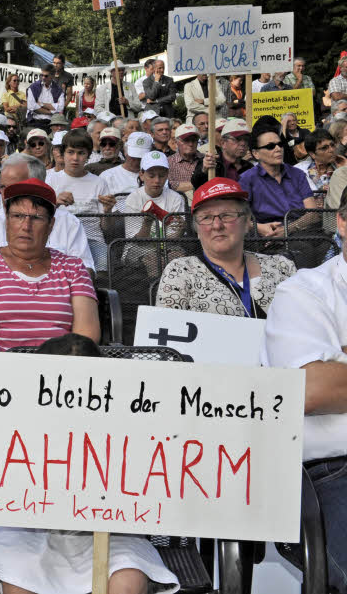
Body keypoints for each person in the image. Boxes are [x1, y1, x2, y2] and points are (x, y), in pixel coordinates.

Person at [0, 333, 178, 594]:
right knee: (18, 578)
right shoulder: (16, 425)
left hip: (114, 531)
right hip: (31, 530)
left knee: (126, 582)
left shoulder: (129, 425)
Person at [261, 190, 347, 594]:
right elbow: (313, 389)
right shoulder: (305, 291)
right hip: (335, 471)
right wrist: (329, 373)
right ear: (343, 223)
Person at [0, 178, 100, 349]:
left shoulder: (74, 267)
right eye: (18, 216)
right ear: (7, 221)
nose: (26, 226)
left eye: (36, 218)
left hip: (60, 369)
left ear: (51, 225)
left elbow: (86, 336)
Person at [155, 177, 294, 315]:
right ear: (197, 230)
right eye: (206, 217)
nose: (217, 225)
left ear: (247, 223)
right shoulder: (181, 272)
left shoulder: (282, 267)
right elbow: (166, 328)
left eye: (227, 215)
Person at [0, 154, 94, 269]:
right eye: (2, 187)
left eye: (14, 188)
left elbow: (85, 269)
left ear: (38, 186)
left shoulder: (69, 223)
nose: (5, 195)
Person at [239, 117, 318, 238]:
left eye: (280, 144)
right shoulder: (247, 179)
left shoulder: (298, 174)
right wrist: (260, 228)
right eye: (271, 146)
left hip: (303, 234)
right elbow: (239, 218)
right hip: (266, 239)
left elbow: (313, 214)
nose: (278, 149)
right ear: (256, 153)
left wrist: (287, 230)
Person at [46, 129, 111, 269]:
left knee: (103, 266)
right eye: (71, 152)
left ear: (88, 155)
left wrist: (107, 210)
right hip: (58, 238)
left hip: (92, 238)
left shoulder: (99, 183)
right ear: (63, 153)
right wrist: (55, 203)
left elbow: (106, 228)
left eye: (81, 153)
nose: (75, 158)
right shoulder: (50, 179)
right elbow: (41, 218)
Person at [167, 122, 205, 194]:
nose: (190, 144)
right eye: (186, 140)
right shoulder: (168, 162)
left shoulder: (206, 160)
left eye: (194, 140)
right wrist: (200, 184)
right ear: (176, 142)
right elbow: (169, 185)